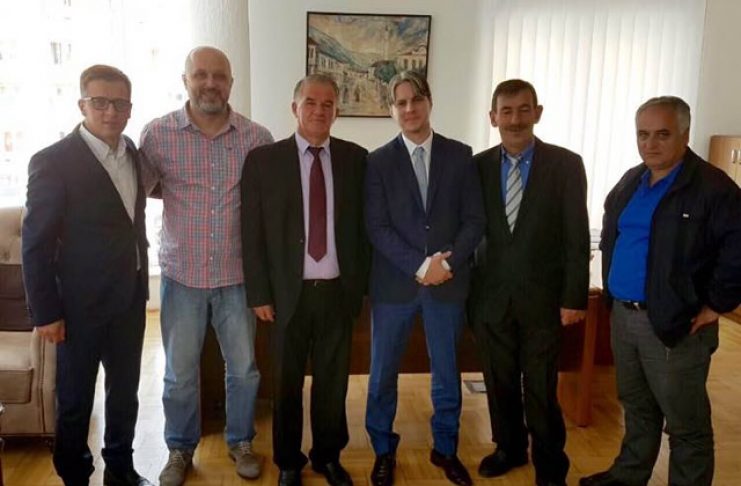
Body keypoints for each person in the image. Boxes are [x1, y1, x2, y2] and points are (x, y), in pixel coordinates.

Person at [580, 96, 741, 486]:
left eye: (662, 134)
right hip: (624, 317)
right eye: (643, 134)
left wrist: (715, 304)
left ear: (685, 134)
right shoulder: (632, 179)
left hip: (675, 323)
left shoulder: (712, 187)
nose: (650, 144)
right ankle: (629, 475)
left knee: (685, 423)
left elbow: (737, 250)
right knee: (637, 407)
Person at [139, 46, 273, 485]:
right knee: (179, 374)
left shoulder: (256, 138)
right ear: (186, 80)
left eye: (219, 76)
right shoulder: (158, 135)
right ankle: (179, 448)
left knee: (244, 370)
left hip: (237, 277)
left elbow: (266, 207)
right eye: (201, 75)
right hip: (182, 276)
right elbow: (141, 191)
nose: (210, 83)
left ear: (231, 83)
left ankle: (241, 441)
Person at [22, 64, 151, 486]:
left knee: (125, 393)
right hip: (79, 306)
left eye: (120, 103)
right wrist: (46, 313)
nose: (111, 111)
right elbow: (35, 244)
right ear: (82, 105)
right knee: (76, 399)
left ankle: (120, 467)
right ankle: (75, 475)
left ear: (130, 108)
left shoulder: (132, 153)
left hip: (130, 298)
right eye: (100, 102)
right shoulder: (52, 161)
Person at [242, 73, 368, 486]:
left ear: (337, 111)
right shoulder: (263, 161)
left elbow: (363, 229)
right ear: (294, 107)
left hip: (336, 293)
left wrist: (358, 289)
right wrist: (259, 292)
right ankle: (289, 462)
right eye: (310, 102)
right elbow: (251, 233)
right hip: (285, 296)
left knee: (333, 384)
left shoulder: (356, 159)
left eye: (328, 104)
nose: (319, 110)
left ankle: (328, 457)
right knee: (286, 383)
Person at [364, 70, 485, 486]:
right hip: (395, 286)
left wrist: (446, 265)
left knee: (447, 374)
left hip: (448, 284)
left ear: (429, 102)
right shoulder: (377, 161)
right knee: (382, 375)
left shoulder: (460, 155)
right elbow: (377, 227)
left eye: (416, 100)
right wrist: (420, 266)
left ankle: (446, 449)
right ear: (391, 110)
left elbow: (474, 220)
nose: (409, 108)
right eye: (400, 102)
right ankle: (383, 450)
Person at [468, 79, 590, 486]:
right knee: (498, 382)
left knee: (540, 387)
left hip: (544, 301)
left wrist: (575, 297)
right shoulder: (478, 167)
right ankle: (509, 448)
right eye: (506, 111)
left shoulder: (565, 165)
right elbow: (469, 231)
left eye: (524, 110)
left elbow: (577, 235)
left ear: (537, 113)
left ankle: (550, 463)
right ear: (493, 118)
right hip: (490, 300)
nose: (515, 119)